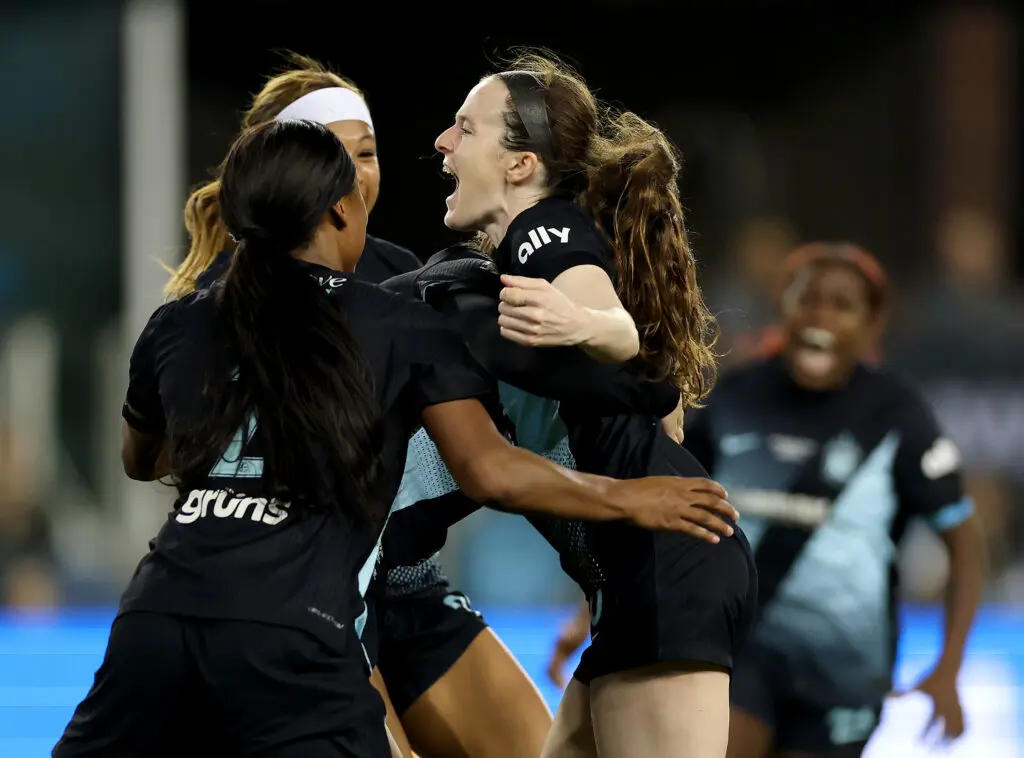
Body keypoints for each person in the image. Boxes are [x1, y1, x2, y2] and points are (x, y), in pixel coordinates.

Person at [54, 120, 741, 758]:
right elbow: (490, 471)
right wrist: (631, 496)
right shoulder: (398, 324)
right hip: (291, 632)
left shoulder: (177, 323)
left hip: (156, 618)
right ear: (340, 210)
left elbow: (141, 458)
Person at [166, 55, 553, 758]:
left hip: (407, 585)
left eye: (367, 153)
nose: (355, 174)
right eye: (331, 153)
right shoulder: (227, 303)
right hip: (320, 600)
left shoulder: (403, 276)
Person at [427, 52, 759, 758]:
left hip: (667, 565)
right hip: (636, 576)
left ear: (521, 165)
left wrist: (586, 324)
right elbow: (646, 391)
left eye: (466, 128)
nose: (444, 142)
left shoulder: (541, 231)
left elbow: (612, 325)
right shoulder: (530, 249)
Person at [674, 243, 984, 758]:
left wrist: (949, 667)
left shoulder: (898, 415)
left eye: (842, 305)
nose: (821, 316)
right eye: (809, 299)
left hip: (845, 668)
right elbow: (669, 505)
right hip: (739, 646)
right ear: (783, 307)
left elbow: (965, 546)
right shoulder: (733, 396)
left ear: (872, 323)